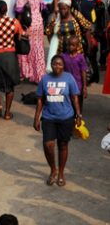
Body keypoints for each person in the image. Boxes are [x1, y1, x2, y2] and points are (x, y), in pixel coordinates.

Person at [34, 54, 82, 187]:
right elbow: (40, 100)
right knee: (48, 145)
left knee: (63, 145)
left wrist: (78, 114)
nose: (57, 66)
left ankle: (61, 173)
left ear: (63, 66)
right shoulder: (45, 79)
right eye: (55, 64)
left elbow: (74, 97)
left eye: (60, 64)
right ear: (51, 65)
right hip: (49, 117)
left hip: (66, 117)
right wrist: (36, 117)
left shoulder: (69, 78)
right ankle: (53, 170)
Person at [16, 0, 47, 84]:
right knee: (38, 48)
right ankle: (39, 74)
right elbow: (42, 7)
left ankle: (26, 73)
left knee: (26, 48)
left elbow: (19, 10)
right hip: (39, 23)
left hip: (27, 24)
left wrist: (18, 26)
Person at [60, 35, 87, 112]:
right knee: (67, 104)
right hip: (66, 85)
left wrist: (84, 87)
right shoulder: (63, 56)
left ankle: (78, 118)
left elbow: (83, 71)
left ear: (77, 46)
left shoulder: (80, 57)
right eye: (69, 45)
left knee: (78, 105)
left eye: (73, 45)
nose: (70, 47)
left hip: (78, 86)